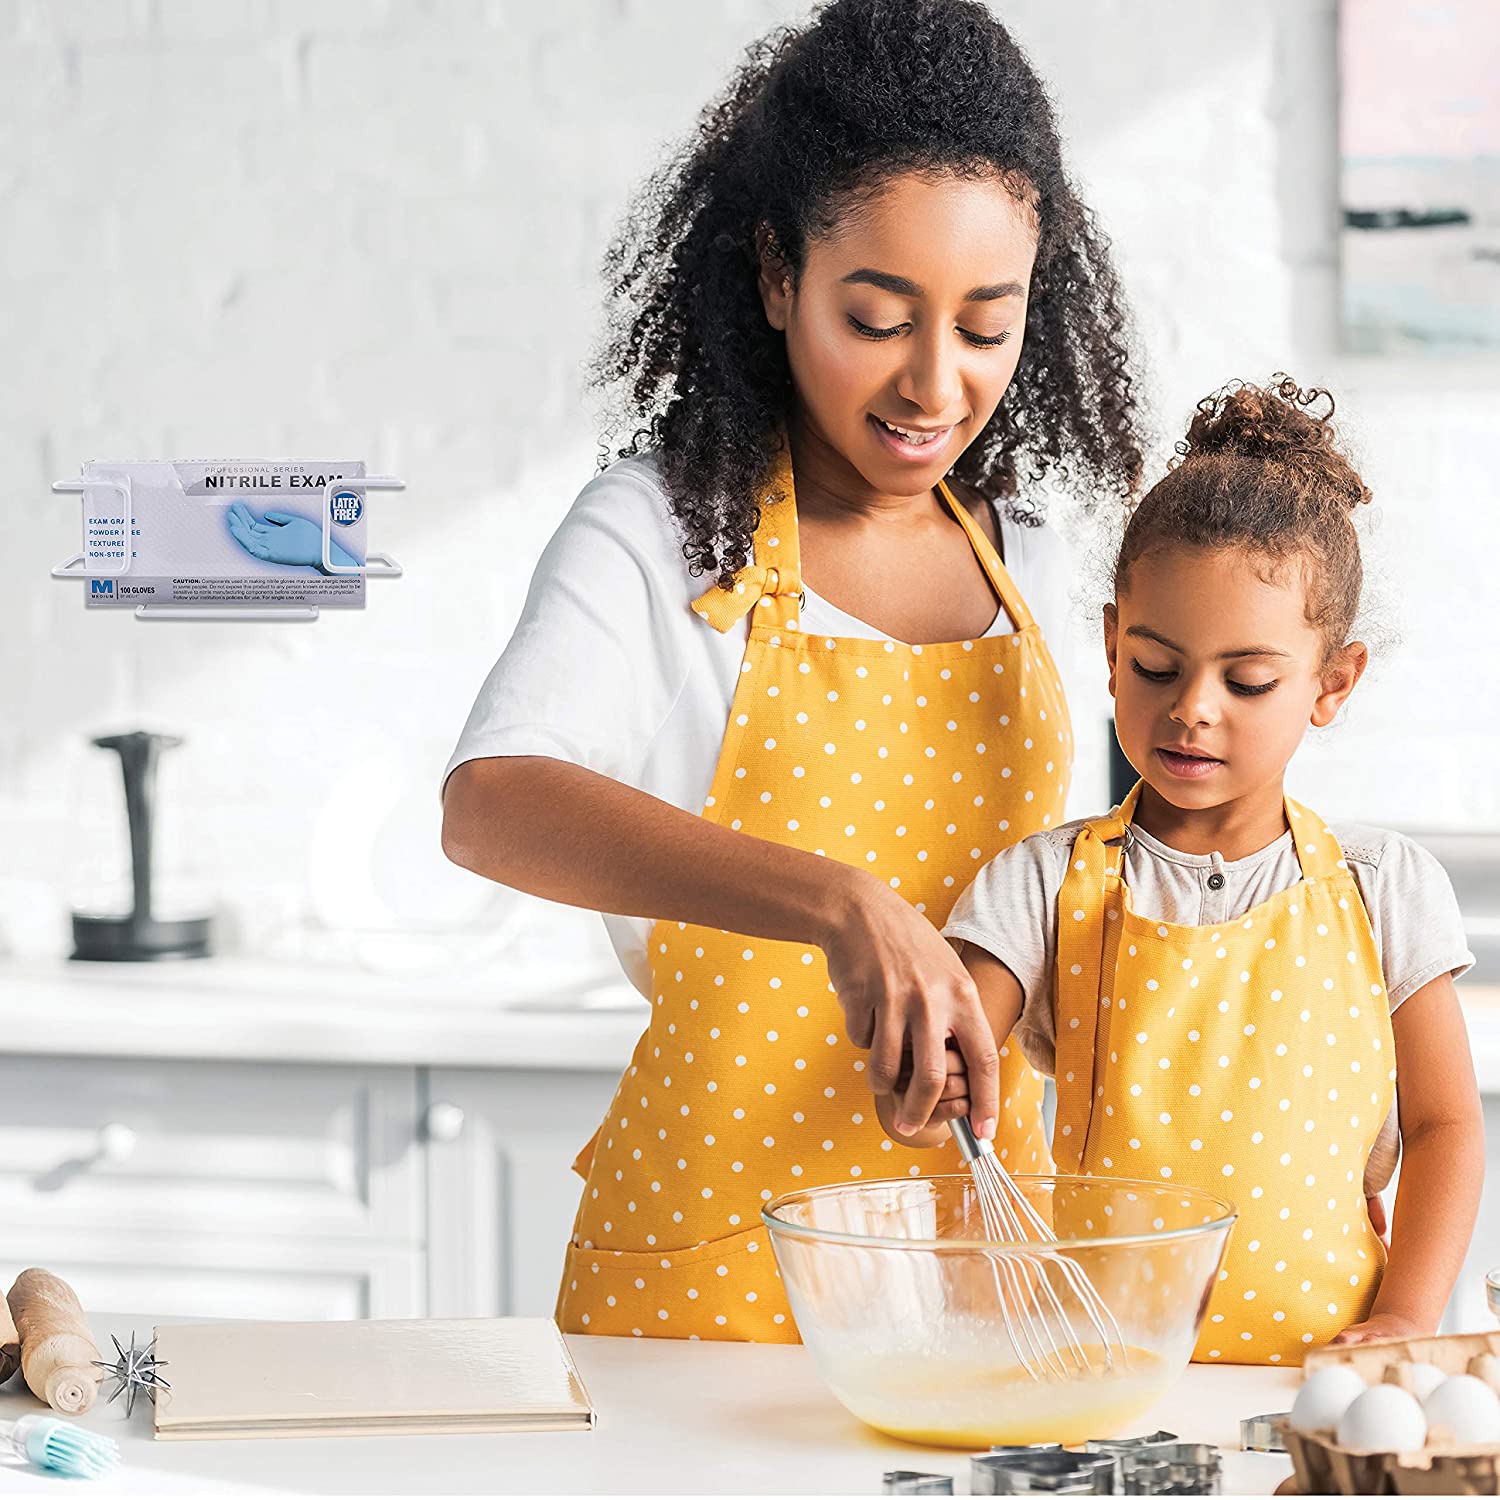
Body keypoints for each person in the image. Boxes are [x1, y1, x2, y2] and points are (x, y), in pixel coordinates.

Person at [441, 0, 1142, 1341]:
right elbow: (491, 802)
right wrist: (837, 905)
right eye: (877, 316)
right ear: (777, 276)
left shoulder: (1043, 570)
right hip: (712, 1281)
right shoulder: (659, 533)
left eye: (986, 326)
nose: (935, 382)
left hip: (981, 1266)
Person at [896, 376, 1482, 1365]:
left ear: (1331, 684)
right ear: (1114, 648)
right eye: (1158, 667)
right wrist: (926, 1078)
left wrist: (1408, 1321)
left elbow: (1444, 1127)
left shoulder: (1384, 887)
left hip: (1325, 1382)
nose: (1192, 708)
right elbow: (941, 1094)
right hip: (1100, 1380)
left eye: (1247, 680)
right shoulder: (1039, 883)